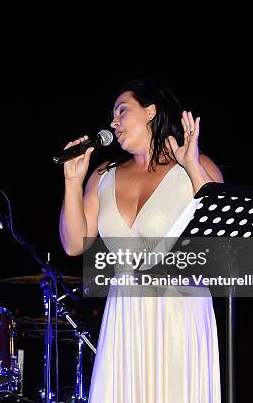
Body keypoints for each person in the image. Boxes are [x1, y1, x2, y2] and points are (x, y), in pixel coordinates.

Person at [59, 78, 223, 402]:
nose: (113, 122)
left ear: (150, 111)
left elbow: (218, 234)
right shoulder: (102, 176)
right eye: (112, 115)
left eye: (122, 111)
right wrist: (72, 181)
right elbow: (74, 243)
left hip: (180, 311)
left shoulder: (193, 165)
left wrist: (191, 164)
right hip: (125, 313)